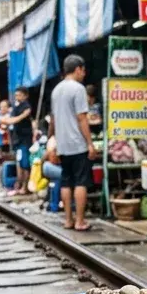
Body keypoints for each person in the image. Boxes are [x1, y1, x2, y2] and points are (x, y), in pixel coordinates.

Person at [50, 54, 96, 231]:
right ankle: (80, 221)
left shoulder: (56, 90)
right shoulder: (78, 89)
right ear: (78, 69)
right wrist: (90, 143)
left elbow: (53, 119)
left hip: (62, 145)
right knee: (81, 182)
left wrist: (53, 141)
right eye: (83, 71)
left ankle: (68, 220)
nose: (84, 74)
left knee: (66, 182)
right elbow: (82, 118)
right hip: (77, 143)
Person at [0, 86, 34, 193]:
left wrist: (8, 121)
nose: (17, 97)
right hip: (17, 139)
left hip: (25, 139)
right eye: (16, 95)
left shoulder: (27, 107)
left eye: (19, 95)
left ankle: (25, 186)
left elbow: (18, 118)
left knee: (25, 163)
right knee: (19, 162)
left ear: (25, 96)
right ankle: (19, 184)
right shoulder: (15, 106)